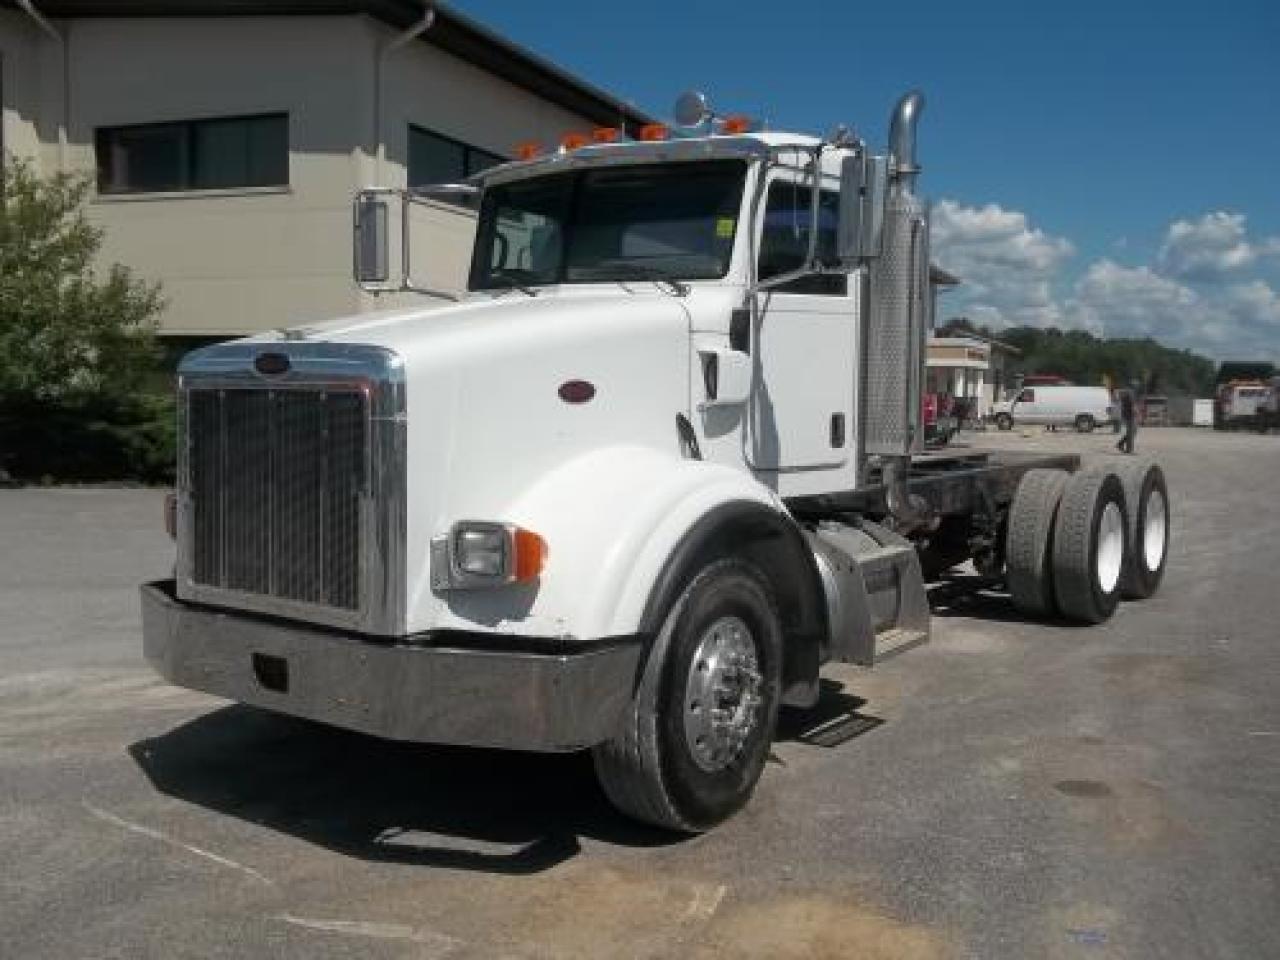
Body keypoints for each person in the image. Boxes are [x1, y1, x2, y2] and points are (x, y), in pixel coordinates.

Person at [1116, 388, 1138, 453]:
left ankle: (1120, 444)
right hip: (1130, 416)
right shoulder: (1130, 397)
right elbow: (1133, 408)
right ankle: (1129, 449)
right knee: (1131, 433)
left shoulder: (1125, 398)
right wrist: (1136, 413)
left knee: (1132, 432)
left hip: (1127, 416)